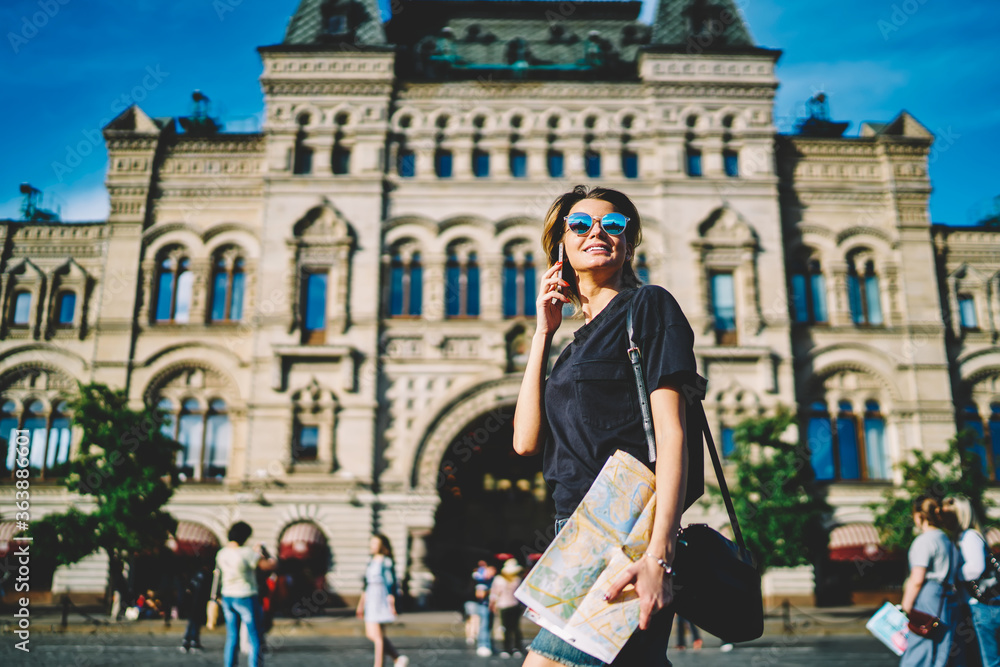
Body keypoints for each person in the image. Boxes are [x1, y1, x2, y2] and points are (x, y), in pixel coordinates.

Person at [513, 185, 705, 667]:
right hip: (573, 533)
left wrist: (658, 557)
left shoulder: (648, 308)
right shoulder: (573, 344)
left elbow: (672, 434)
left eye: (613, 225)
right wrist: (543, 333)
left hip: (624, 532)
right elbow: (524, 441)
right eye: (580, 225)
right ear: (560, 245)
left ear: (628, 243)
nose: (597, 231)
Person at [900, 495, 961, 667]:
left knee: (921, 647)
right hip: (947, 596)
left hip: (928, 594)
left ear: (919, 515)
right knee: (942, 649)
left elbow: (917, 579)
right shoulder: (946, 539)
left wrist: (905, 606)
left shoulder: (924, 541)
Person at [945, 494, 998, 666]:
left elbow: (975, 568)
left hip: (980, 605)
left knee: (989, 660)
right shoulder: (968, 536)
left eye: (948, 514)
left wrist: (952, 574)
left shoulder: (969, 537)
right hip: (982, 604)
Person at [216, 521, 277, 667]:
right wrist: (264, 553)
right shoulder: (247, 553)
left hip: (227, 595)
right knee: (255, 638)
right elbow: (268, 566)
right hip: (246, 595)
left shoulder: (221, 553)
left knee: (232, 637)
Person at [356, 533, 409, 667]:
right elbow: (366, 584)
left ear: (381, 545)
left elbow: (390, 584)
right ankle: (397, 658)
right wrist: (360, 604)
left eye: (375, 543)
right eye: (371, 543)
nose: (372, 546)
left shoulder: (386, 562)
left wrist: (392, 604)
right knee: (372, 634)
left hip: (381, 597)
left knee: (378, 637)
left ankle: (378, 665)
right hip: (371, 597)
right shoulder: (370, 561)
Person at [490, 558, 525, 658]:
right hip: (508, 605)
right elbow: (495, 593)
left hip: (510, 605)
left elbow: (494, 594)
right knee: (510, 628)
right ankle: (511, 647)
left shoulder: (515, 579)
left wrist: (493, 604)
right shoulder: (503, 579)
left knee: (511, 627)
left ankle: (512, 647)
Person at [180, 562, 212, 653]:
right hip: (199, 602)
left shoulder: (195, 575)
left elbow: (189, 589)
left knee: (191, 622)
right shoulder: (205, 575)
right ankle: (194, 641)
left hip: (192, 602)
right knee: (196, 622)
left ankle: (186, 641)